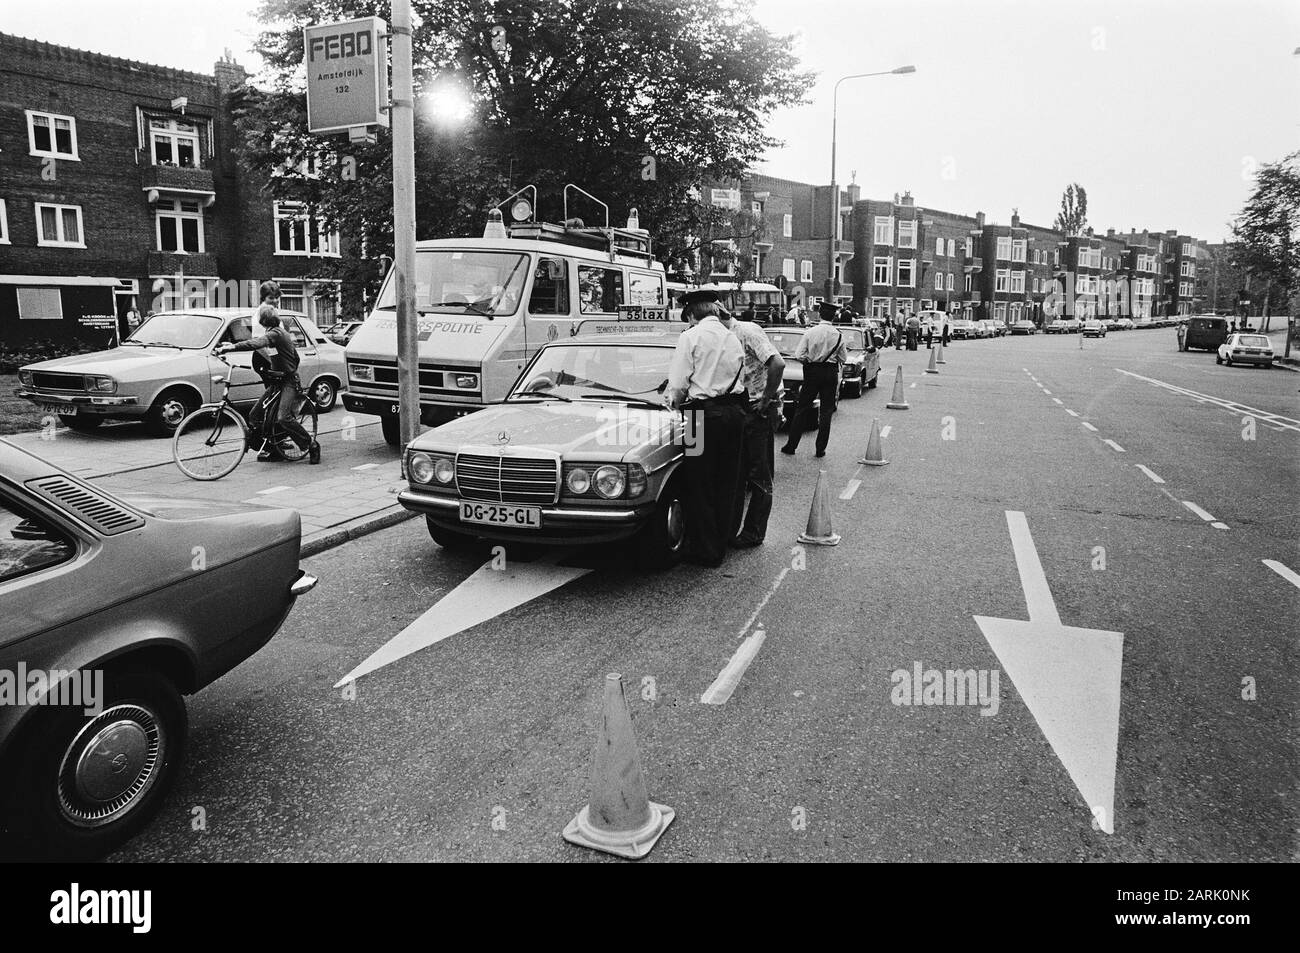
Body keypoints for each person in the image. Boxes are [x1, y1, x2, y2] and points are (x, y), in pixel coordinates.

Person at [666, 289, 748, 567]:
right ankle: (722, 541)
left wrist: (674, 403)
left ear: (692, 313)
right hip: (734, 413)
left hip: (699, 417)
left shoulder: (690, 337)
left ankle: (705, 549)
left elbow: (678, 384)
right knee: (728, 481)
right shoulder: (732, 337)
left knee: (698, 481)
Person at [215, 281, 320, 464]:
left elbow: (255, 343)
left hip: (287, 380)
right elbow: (291, 355)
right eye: (272, 299)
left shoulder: (275, 334)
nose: (275, 303)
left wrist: (231, 347)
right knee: (255, 414)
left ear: (264, 323)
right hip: (277, 377)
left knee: (283, 417)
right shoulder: (274, 330)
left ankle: (311, 444)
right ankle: (270, 445)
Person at [723, 304, 785, 548]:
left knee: (759, 475)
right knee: (739, 473)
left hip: (755, 408)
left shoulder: (747, 332)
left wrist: (767, 398)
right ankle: (732, 529)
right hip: (737, 407)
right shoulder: (720, 336)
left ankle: (754, 532)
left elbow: (777, 364)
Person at [781, 301, 848, 458]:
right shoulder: (838, 335)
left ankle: (791, 445)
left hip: (812, 372)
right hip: (830, 373)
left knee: (802, 408)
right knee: (826, 411)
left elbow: (798, 355)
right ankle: (820, 449)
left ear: (819, 314)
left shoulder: (810, 332)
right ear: (834, 317)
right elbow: (843, 358)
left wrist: (809, 361)